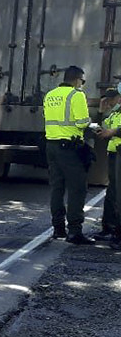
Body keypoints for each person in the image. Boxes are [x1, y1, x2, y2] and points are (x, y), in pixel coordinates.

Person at [43, 65, 95, 245]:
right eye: (83, 81)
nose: (83, 84)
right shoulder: (76, 95)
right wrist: (91, 123)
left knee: (57, 188)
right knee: (77, 188)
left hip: (51, 145)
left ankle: (58, 229)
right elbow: (81, 123)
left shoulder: (50, 95)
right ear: (76, 79)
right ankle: (75, 231)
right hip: (69, 148)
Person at [93, 89, 121, 241]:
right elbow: (104, 127)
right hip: (114, 156)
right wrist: (101, 111)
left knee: (118, 194)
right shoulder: (114, 114)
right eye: (108, 100)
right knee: (111, 193)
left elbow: (111, 131)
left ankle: (117, 231)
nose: (110, 103)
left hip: (119, 154)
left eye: (112, 99)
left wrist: (113, 132)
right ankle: (109, 227)